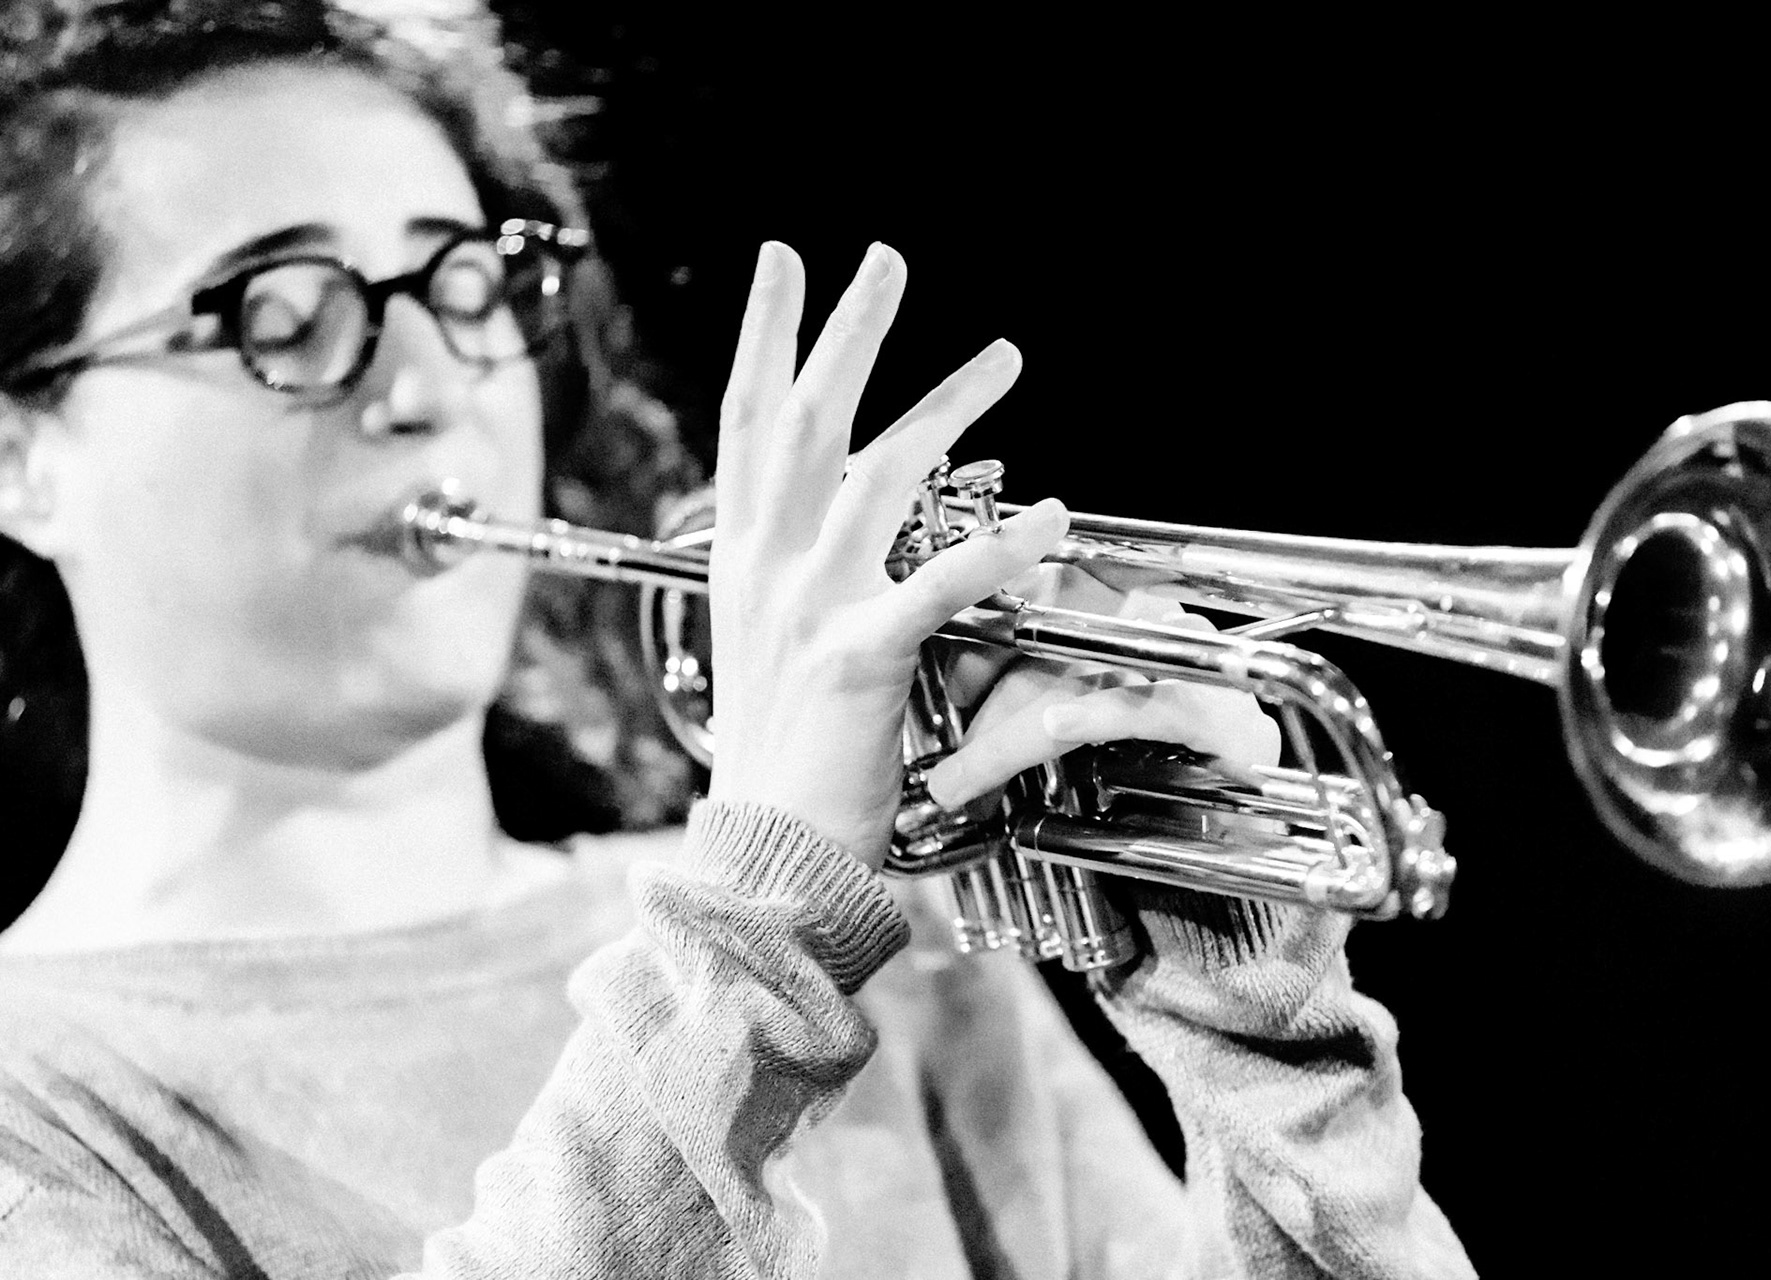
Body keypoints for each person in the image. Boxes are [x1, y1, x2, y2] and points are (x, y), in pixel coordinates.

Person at [0, 2, 1475, 1275]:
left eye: (464, 281)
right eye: (287, 311)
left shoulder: (897, 937)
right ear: (19, 457)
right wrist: (757, 917)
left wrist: (1250, 1013)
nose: (431, 385)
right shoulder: (35, 1100)